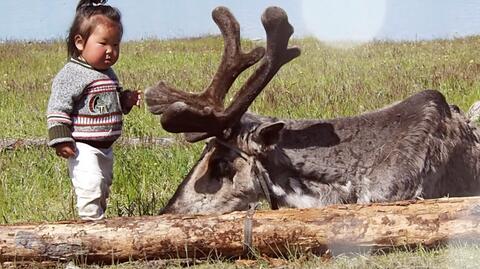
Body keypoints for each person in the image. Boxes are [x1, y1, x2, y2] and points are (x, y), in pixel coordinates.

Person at [46, 0, 141, 220]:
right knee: (91, 184)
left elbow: (110, 102)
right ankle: (90, 228)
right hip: (83, 147)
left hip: (106, 148)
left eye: (116, 45)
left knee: (102, 187)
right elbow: (58, 107)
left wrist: (125, 100)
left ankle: (97, 222)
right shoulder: (72, 73)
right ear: (80, 42)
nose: (111, 51)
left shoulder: (108, 73)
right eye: (103, 44)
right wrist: (61, 138)